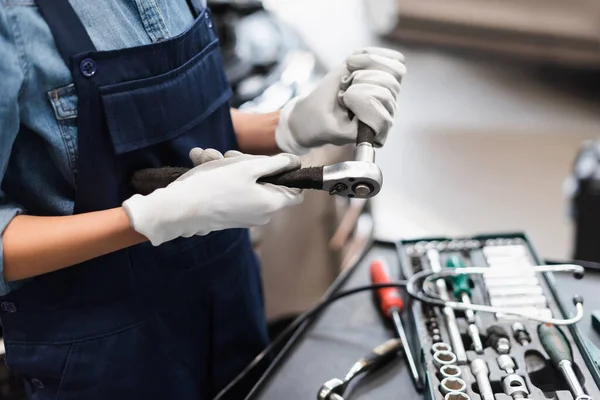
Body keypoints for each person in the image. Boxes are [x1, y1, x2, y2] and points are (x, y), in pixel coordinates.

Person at [0, 0, 406, 399]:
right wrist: (154, 217)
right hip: (101, 354)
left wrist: (286, 125)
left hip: (228, 303)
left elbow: (165, 117)